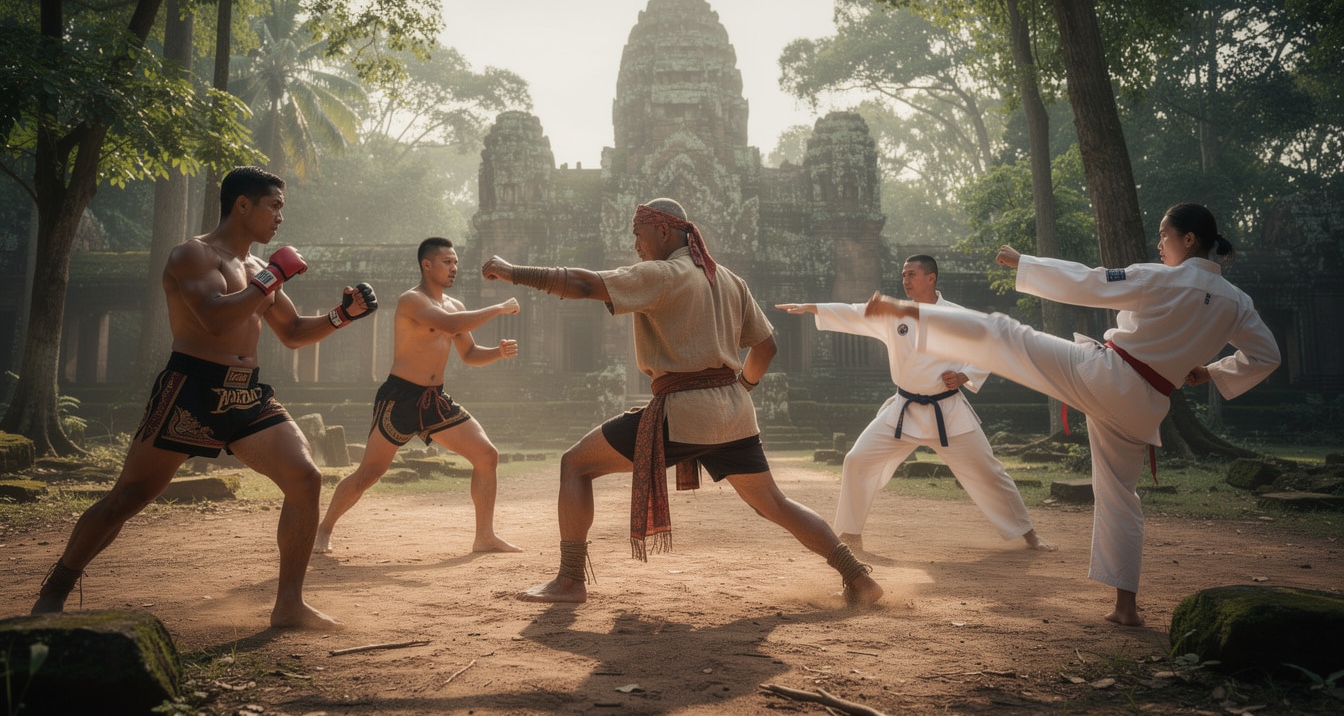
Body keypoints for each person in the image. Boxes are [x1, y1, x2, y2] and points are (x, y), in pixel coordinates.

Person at [864, 203, 1279, 626]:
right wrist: (1211, 371)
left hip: (1106, 375)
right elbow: (1268, 356)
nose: (1159, 244)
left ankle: (908, 313)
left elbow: (1092, 282)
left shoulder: (1164, 279)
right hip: (1147, 404)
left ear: (1188, 240)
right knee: (1121, 496)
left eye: (1164, 234)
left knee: (1008, 334)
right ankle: (1125, 607)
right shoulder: (1237, 303)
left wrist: (1025, 263)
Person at [481, 198, 883, 606]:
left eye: (639, 235)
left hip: (681, 413)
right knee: (774, 503)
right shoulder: (728, 279)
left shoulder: (664, 275)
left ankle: (569, 581)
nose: (636, 245)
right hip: (735, 415)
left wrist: (516, 273)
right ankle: (858, 578)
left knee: (575, 465)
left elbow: (585, 285)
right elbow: (767, 348)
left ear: (662, 231)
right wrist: (740, 387)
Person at [32, 166, 378, 629]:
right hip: (191, 387)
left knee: (305, 477)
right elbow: (214, 320)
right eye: (274, 206)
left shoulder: (258, 269)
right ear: (243, 205)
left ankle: (289, 605)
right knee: (129, 497)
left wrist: (344, 315)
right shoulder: (193, 255)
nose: (280, 217)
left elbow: (293, 333)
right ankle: (55, 589)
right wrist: (272, 277)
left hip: (245, 392)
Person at [776, 255, 1055, 554]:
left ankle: (1029, 535)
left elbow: (988, 346)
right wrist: (814, 307)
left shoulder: (956, 315)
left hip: (948, 412)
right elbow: (857, 313)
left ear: (931, 278)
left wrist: (964, 375)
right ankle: (851, 535)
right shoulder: (894, 315)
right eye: (903, 275)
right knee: (856, 460)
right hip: (903, 411)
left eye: (912, 274)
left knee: (989, 472)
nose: (905, 281)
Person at [315, 237, 523, 555]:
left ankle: (484, 536)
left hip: (434, 399)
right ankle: (323, 530)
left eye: (455, 262)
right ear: (427, 265)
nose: (454, 268)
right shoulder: (411, 301)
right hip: (400, 397)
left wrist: (497, 352)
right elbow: (449, 325)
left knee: (486, 456)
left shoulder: (455, 306)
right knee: (370, 472)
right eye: (447, 262)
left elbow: (468, 353)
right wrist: (499, 308)